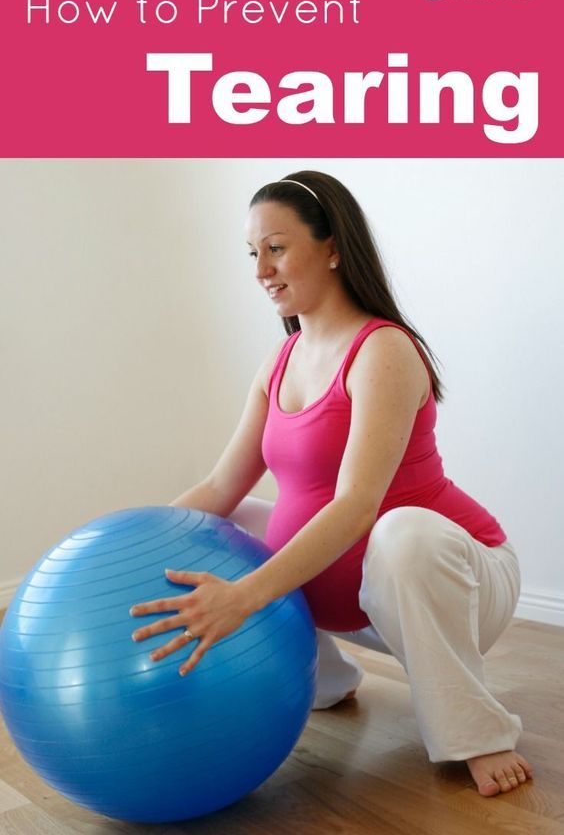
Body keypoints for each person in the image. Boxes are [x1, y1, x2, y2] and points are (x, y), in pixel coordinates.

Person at [130, 170, 533, 798]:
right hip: (355, 602)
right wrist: (130, 547)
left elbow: (355, 508)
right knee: (217, 526)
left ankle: (476, 733)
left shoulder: (384, 352)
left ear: (333, 247)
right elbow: (219, 485)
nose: (261, 268)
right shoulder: (281, 358)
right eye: (252, 253)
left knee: (399, 533)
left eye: (278, 246)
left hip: (456, 582)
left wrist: (244, 597)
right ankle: (324, 676)